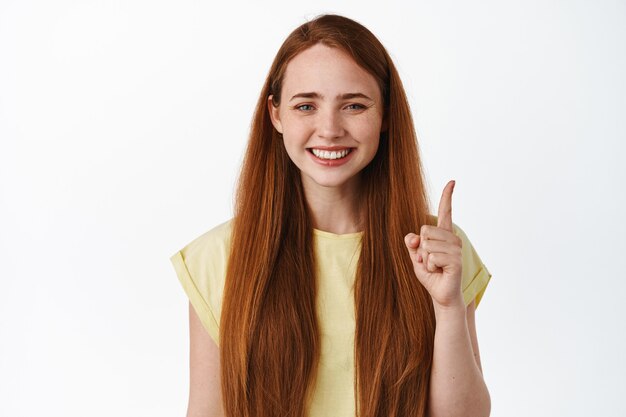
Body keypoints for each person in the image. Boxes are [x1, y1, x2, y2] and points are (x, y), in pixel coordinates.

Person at [170, 13, 492, 417]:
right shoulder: (216, 257)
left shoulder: (438, 250)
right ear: (276, 115)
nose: (329, 129)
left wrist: (447, 309)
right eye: (306, 105)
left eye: (354, 105)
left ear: (386, 115)